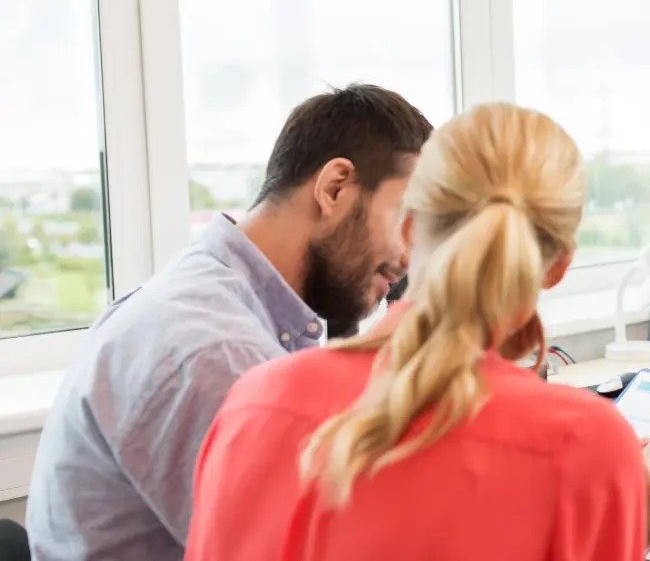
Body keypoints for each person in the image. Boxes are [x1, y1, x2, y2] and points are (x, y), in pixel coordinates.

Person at [185, 103, 650, 561]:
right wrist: (624, 524)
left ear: (411, 230)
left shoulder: (255, 396)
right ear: (559, 266)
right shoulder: (586, 446)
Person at [24, 84, 432, 561]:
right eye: (406, 217)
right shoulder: (212, 351)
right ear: (334, 187)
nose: (410, 255)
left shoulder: (232, 306)